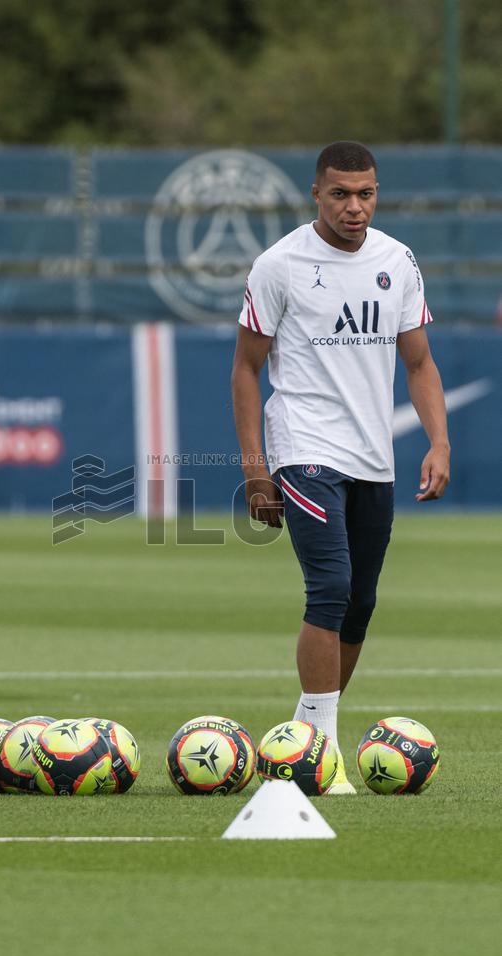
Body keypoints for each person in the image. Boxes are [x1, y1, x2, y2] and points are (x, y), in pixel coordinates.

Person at [231, 140, 450, 793]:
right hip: (304, 447)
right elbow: (245, 369)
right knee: (329, 587)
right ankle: (322, 753)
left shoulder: (397, 259)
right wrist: (255, 469)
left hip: (371, 455)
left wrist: (438, 441)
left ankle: (302, 735)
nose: (355, 207)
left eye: (366, 194)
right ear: (316, 195)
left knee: (360, 603)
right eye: (341, 194)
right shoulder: (281, 265)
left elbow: (418, 362)